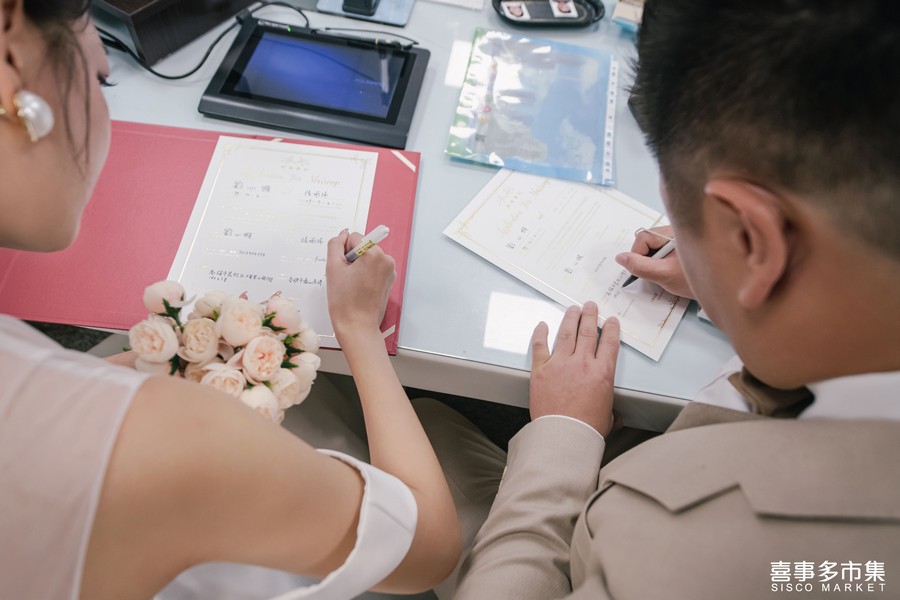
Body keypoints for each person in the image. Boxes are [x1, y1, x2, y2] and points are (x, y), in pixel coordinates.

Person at [427, 0, 900, 597]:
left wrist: (565, 433)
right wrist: (726, 276)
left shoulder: (685, 551)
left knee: (425, 423)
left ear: (752, 237)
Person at [0, 1, 460, 598]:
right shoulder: (168, 438)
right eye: (99, 76)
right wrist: (358, 329)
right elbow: (429, 548)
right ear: (11, 56)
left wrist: (132, 367)